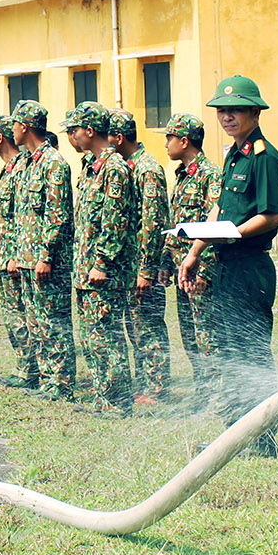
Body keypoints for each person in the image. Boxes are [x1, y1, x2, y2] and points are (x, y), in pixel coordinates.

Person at [178, 75, 278, 457]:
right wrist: (195, 250)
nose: (227, 117)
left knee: (251, 353)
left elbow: (273, 215)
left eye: (235, 110)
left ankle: (264, 442)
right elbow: (220, 208)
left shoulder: (263, 157)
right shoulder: (232, 155)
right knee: (228, 351)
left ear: (255, 112)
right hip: (223, 266)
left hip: (249, 267)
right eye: (222, 111)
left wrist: (234, 234)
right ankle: (237, 436)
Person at [64, 102, 136, 414]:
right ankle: (103, 398)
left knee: (108, 335)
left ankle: (118, 403)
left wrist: (101, 262)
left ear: (90, 131)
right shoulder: (91, 167)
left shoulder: (114, 169)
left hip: (102, 272)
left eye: (75, 130)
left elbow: (115, 221)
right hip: (85, 270)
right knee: (93, 337)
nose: (73, 136)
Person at [8, 100, 76, 400]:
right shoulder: (25, 163)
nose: (12, 130)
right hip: (26, 259)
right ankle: (47, 379)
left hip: (46, 261)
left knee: (54, 323)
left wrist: (46, 255)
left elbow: (57, 215)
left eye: (14, 125)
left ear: (24, 126)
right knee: (36, 323)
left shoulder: (54, 163)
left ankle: (60, 383)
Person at [109, 108, 172, 405]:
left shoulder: (146, 169)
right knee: (136, 329)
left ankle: (157, 389)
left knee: (148, 329)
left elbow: (153, 222)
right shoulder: (126, 166)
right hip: (129, 266)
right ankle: (144, 385)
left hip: (143, 266)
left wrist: (147, 268)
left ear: (119, 138)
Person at [163, 112, 223, 410]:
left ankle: (215, 398)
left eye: (169, 138)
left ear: (184, 141)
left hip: (200, 272)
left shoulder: (210, 174)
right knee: (189, 335)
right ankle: (203, 394)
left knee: (206, 336)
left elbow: (214, 224)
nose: (166, 144)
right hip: (181, 269)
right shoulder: (183, 175)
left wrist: (204, 270)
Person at [0, 113, 36, 388]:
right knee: (12, 315)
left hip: (15, 257)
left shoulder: (21, 169)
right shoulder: (7, 170)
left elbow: (22, 215)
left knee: (22, 314)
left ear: (0, 136)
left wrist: (17, 253)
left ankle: (30, 370)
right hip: (4, 256)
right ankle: (23, 367)